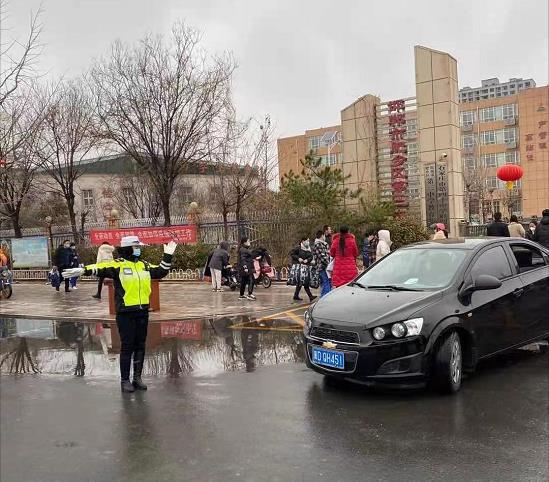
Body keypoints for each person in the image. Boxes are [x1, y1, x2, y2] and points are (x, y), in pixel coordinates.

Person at [62, 235, 177, 393]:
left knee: (140, 345)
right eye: (136, 247)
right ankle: (125, 380)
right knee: (127, 346)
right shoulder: (119, 265)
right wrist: (83, 270)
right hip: (125, 313)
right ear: (128, 249)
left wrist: (168, 255)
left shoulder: (143, 265)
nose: (138, 250)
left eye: (139, 247)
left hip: (142, 311)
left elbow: (160, 272)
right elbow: (100, 268)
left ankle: (137, 378)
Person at [290, 237, 317, 302]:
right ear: (303, 241)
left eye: (308, 241)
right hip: (298, 268)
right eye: (307, 241)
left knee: (302, 282)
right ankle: (310, 296)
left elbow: (311, 256)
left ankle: (296, 296)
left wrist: (307, 260)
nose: (308, 242)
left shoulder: (308, 249)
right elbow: (292, 254)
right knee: (304, 282)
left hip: (306, 267)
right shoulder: (298, 248)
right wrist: (298, 258)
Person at [312, 230, 331, 297]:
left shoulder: (323, 244)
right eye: (324, 236)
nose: (325, 237)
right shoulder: (318, 244)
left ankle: (324, 298)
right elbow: (322, 257)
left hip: (325, 267)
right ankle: (325, 298)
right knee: (326, 283)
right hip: (322, 267)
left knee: (325, 283)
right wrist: (329, 264)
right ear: (322, 235)